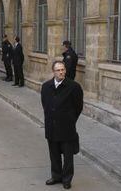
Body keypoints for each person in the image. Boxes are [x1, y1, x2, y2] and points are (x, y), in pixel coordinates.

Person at [41, 61, 83, 190]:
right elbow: (45, 105)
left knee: (68, 156)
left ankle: (66, 179)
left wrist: (70, 120)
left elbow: (78, 107)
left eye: (63, 69)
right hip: (51, 127)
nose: (61, 72)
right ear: (53, 72)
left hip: (67, 128)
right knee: (54, 154)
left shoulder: (73, 87)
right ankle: (56, 176)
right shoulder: (46, 86)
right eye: (58, 70)